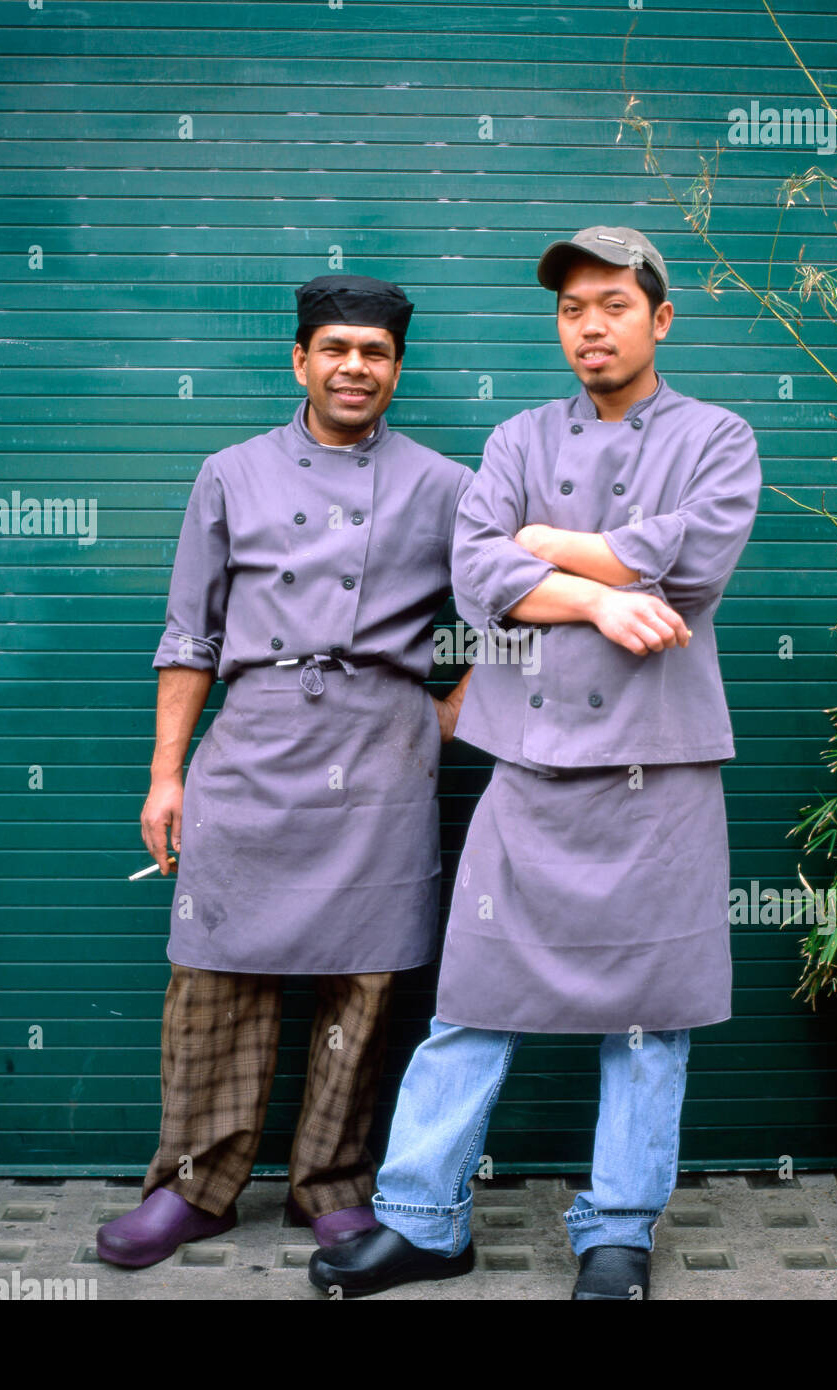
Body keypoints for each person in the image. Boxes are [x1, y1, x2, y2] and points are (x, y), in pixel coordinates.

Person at [308, 227, 761, 1299]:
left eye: (612, 302)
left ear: (660, 317)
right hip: (530, 761)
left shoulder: (718, 437)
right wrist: (605, 588)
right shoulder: (515, 438)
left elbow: (689, 568)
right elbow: (477, 574)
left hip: (663, 768)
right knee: (471, 998)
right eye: (570, 308)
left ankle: (618, 1231)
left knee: (649, 1018)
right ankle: (423, 1220)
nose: (589, 324)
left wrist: (544, 545)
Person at [97, 274, 472, 1267]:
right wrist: (165, 775)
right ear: (300, 360)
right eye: (336, 349)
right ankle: (193, 1186)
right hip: (254, 740)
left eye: (376, 353)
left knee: (366, 979)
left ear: (397, 368)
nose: (356, 368)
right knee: (214, 976)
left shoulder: (445, 485)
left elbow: (513, 613)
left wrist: (443, 713)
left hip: (383, 747)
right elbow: (188, 635)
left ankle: (335, 1187)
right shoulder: (230, 472)